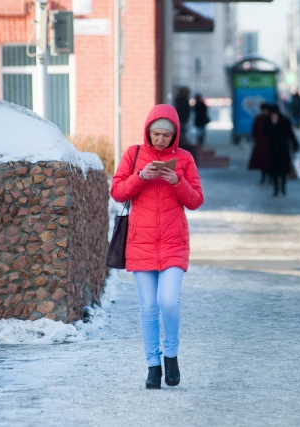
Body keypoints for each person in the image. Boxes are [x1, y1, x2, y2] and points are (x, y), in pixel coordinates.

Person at [110, 104, 204, 390]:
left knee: (169, 301)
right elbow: (116, 192)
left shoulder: (185, 158)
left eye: (166, 134)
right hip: (141, 242)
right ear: (148, 132)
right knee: (149, 306)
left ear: (174, 134)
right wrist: (140, 177)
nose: (161, 139)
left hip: (174, 242)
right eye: (156, 134)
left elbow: (196, 200)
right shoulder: (134, 154)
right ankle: (153, 366)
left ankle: (171, 356)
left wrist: (177, 181)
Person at [265, 104, 300, 197]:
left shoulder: (284, 121)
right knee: (274, 171)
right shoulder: (267, 121)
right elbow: (265, 133)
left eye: (274, 114)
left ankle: (283, 188)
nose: (273, 116)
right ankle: (276, 189)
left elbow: (290, 134)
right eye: (271, 114)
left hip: (283, 149)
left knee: (284, 170)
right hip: (272, 149)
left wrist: (295, 144)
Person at [248, 103, 271, 184]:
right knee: (263, 162)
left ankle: (268, 177)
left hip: (267, 144)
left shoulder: (267, 119)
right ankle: (264, 177)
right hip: (262, 144)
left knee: (268, 162)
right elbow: (255, 131)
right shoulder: (259, 119)